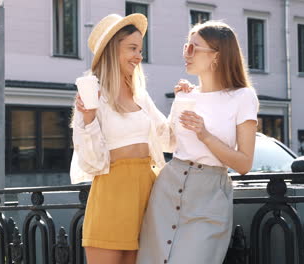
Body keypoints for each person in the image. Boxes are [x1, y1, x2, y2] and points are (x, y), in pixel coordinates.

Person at [136, 21, 259, 264]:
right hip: (168, 188)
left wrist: (205, 135)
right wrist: (138, 98)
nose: (186, 54)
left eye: (194, 48)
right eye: (186, 47)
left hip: (210, 195)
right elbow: (170, 144)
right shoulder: (185, 95)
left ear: (217, 56)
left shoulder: (243, 97)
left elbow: (244, 164)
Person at [70, 13, 176, 263]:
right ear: (110, 51)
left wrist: (182, 100)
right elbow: (92, 163)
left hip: (150, 193)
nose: (139, 56)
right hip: (112, 194)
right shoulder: (92, 96)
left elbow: (170, 140)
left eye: (140, 49)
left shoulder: (140, 95)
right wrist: (88, 119)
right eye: (132, 48)